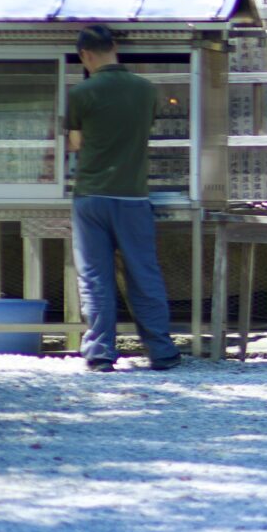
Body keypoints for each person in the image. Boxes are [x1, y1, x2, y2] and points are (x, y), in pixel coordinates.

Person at [66, 26, 182, 371]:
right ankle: (161, 351)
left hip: (90, 197)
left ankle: (101, 353)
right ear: (115, 47)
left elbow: (76, 143)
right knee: (143, 273)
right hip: (132, 196)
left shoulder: (81, 93)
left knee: (95, 277)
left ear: (85, 55)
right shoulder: (146, 90)